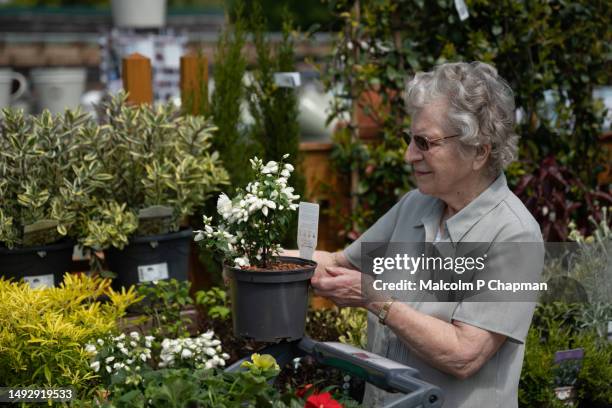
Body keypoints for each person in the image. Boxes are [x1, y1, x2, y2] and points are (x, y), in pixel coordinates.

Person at [287, 62, 544, 407]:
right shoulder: (415, 205)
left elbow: (464, 354)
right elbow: (336, 263)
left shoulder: (514, 236)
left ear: (479, 151)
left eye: (424, 142)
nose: (409, 155)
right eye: (409, 139)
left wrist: (375, 298)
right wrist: (258, 260)